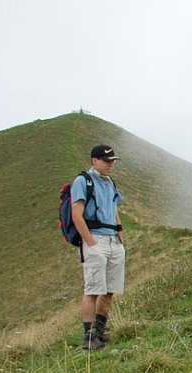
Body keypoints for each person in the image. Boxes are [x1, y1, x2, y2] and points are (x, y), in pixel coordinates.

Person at [70, 144, 125, 350]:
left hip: (112, 240)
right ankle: (89, 336)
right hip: (95, 239)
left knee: (110, 289)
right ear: (95, 161)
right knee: (93, 288)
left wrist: (119, 233)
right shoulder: (82, 181)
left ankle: (101, 331)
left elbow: (113, 207)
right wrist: (90, 243)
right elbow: (77, 214)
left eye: (113, 161)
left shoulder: (110, 183)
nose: (111, 165)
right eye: (106, 161)